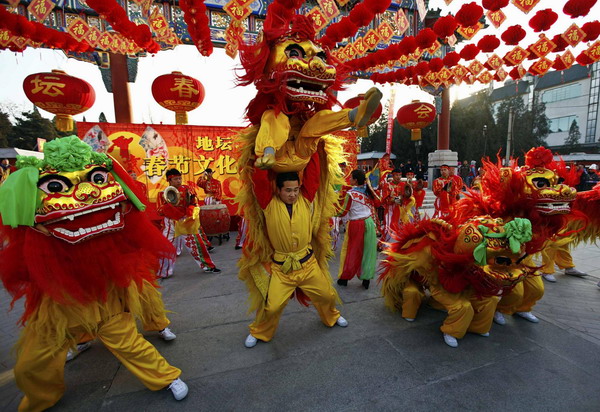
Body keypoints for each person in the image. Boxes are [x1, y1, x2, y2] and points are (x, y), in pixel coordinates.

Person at [0, 136, 188, 410]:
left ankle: (165, 372)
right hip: (59, 304)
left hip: (106, 297)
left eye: (97, 180)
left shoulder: (115, 216)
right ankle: (41, 397)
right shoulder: (34, 221)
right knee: (30, 365)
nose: (85, 192)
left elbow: (129, 214)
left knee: (131, 339)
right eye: (56, 186)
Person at [244, 154, 348, 348]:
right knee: (272, 306)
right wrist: (261, 157)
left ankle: (332, 317)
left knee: (327, 295)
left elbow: (313, 176)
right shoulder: (268, 203)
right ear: (279, 189)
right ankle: (260, 332)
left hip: (308, 264)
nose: (293, 194)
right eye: (288, 190)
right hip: (282, 269)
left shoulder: (305, 199)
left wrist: (314, 148)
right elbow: (260, 182)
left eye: (296, 189)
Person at [157, 168, 221, 277]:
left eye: (180, 178)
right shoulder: (162, 194)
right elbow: (159, 211)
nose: (179, 181)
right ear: (170, 180)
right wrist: (170, 209)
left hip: (185, 222)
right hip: (171, 224)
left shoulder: (187, 189)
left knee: (197, 244)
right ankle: (164, 272)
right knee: (165, 247)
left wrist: (191, 210)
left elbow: (194, 202)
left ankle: (209, 266)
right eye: (176, 179)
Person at [336, 169, 378, 289]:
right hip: (369, 223)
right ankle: (366, 279)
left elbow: (342, 212)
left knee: (352, 251)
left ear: (355, 180)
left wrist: (328, 210)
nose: (349, 179)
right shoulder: (368, 192)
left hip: (356, 224)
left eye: (351, 178)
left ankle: (344, 278)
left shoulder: (351, 194)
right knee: (368, 251)